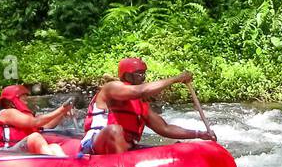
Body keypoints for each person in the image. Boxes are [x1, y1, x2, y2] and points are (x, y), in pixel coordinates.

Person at [80, 58, 217, 156]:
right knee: (115, 130)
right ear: (127, 75)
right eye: (139, 73)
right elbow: (139, 91)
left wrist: (199, 134)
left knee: (179, 147)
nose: (143, 76)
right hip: (96, 144)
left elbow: (165, 128)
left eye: (144, 72)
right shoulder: (112, 88)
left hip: (126, 148)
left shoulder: (140, 104)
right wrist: (175, 79)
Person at [0, 84, 73, 156]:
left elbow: (45, 125)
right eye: (23, 100)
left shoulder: (20, 114)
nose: (26, 103)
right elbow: (34, 122)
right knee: (35, 137)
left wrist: (61, 114)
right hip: (3, 151)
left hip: (15, 148)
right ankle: (55, 164)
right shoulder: (7, 113)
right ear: (10, 102)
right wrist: (61, 109)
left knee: (54, 147)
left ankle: (65, 166)